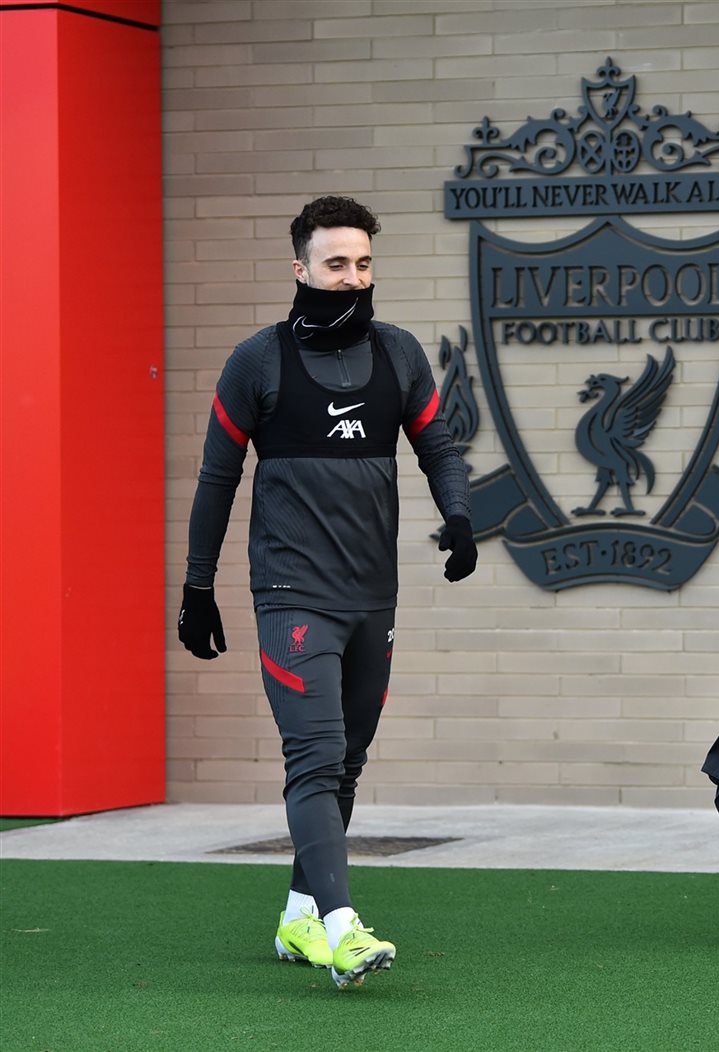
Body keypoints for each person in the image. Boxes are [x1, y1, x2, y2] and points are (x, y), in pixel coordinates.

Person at [178, 196, 477, 989]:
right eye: (337, 263)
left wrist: (458, 516)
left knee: (345, 761)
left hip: (373, 595)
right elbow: (216, 480)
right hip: (291, 591)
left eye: (364, 263)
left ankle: (298, 917)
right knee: (313, 757)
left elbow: (438, 446)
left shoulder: (399, 354)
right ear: (301, 267)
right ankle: (342, 929)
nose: (352, 277)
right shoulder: (258, 362)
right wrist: (198, 586)